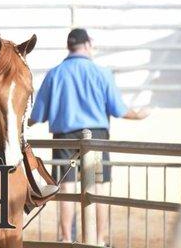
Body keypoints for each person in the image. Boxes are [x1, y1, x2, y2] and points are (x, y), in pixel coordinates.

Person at [29, 28, 149, 244]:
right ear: (86, 45)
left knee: (66, 187)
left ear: (70, 47)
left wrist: (19, 123)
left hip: (64, 136)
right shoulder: (101, 72)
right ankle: (98, 241)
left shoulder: (55, 73)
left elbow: (37, 115)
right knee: (97, 187)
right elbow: (119, 110)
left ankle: (66, 239)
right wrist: (139, 115)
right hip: (96, 137)